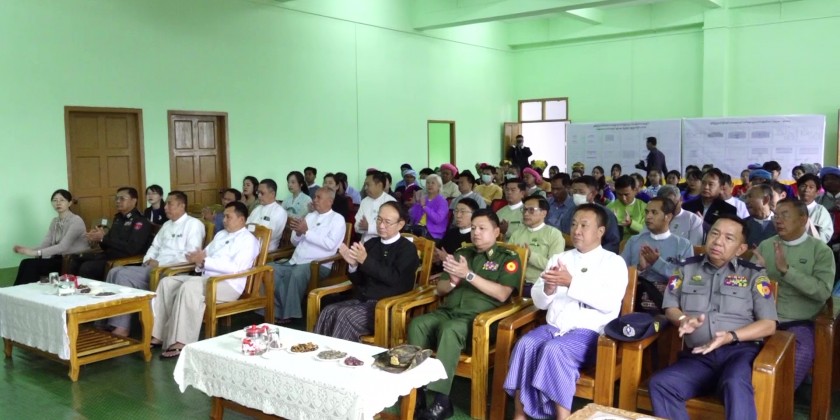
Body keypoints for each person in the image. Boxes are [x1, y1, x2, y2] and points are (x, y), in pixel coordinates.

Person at [503, 204, 627, 420]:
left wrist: (571, 282)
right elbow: (540, 301)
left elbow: (609, 303)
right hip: (554, 327)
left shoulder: (613, 262)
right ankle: (519, 415)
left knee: (554, 349)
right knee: (525, 343)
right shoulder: (560, 258)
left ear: (600, 231)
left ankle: (563, 417)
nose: (576, 230)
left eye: (584, 225)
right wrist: (549, 289)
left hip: (589, 335)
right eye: (574, 224)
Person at [648, 215, 778, 420]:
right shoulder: (685, 268)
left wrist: (730, 336)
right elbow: (670, 306)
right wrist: (682, 320)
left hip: (739, 353)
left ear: (741, 249)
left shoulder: (754, 275)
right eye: (714, 234)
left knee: (735, 382)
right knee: (662, 384)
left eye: (728, 238)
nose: (718, 241)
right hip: (699, 356)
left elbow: (769, 324)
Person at [409, 209, 522, 420]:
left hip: (480, 321)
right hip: (448, 312)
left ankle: (442, 401)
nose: (476, 232)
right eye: (473, 228)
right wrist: (453, 281)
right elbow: (441, 289)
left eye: (482, 228)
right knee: (418, 324)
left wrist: (468, 275)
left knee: (450, 330)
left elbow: (502, 293)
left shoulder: (508, 258)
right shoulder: (462, 254)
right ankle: (418, 393)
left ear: (496, 232)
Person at [154, 202, 260, 359]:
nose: (224, 220)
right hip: (208, 279)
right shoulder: (221, 235)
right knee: (167, 282)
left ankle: (182, 341)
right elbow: (204, 255)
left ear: (241, 219)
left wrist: (204, 261)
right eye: (224, 216)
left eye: (228, 217)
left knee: (190, 287)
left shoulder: (248, 240)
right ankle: (159, 334)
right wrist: (197, 260)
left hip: (229, 284)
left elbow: (236, 268)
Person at [753, 198, 834, 390]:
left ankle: (775, 399)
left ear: (803, 219)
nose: (778, 220)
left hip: (798, 322)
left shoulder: (820, 251)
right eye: (776, 216)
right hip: (762, 317)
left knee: (801, 351)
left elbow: (822, 292)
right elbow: (751, 286)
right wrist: (757, 273)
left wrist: (787, 271)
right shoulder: (766, 245)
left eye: (785, 215)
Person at [314, 202, 420, 342]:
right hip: (362, 301)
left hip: (387, 307)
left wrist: (365, 260)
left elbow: (394, 279)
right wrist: (353, 265)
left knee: (345, 315)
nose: (381, 225)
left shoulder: (408, 249)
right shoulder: (371, 244)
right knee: (328, 311)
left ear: (400, 224)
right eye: (379, 219)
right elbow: (360, 282)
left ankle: (339, 354)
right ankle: (319, 352)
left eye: (387, 222)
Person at [104, 191, 205, 336]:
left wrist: (159, 263)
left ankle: (122, 327)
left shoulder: (193, 224)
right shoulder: (167, 225)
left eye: (169, 204)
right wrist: (148, 260)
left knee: (122, 276)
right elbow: (154, 247)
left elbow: (190, 255)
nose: (165, 207)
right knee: (114, 271)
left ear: (182, 206)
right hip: (153, 268)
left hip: (171, 271)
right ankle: (109, 321)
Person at [271, 188, 346, 323]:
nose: (314, 200)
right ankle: (274, 310)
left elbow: (330, 245)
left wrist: (306, 232)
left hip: (319, 264)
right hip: (296, 260)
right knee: (271, 269)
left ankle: (288, 314)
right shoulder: (310, 216)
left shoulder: (337, 219)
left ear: (330, 201)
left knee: (297, 274)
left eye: (318, 197)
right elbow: (294, 242)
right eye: (314, 197)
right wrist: (298, 233)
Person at [621, 197, 693, 313]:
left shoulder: (683, 245)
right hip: (634, 301)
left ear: (668, 217)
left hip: (667, 306)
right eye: (647, 212)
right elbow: (619, 274)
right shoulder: (634, 241)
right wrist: (639, 269)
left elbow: (685, 279)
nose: (648, 216)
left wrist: (657, 263)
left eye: (654, 212)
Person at [66, 187, 153, 280]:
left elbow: (132, 249)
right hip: (108, 255)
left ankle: (88, 288)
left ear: (134, 200)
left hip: (124, 259)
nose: (118, 201)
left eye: (122, 198)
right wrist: (98, 238)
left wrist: (103, 238)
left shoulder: (140, 221)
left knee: (87, 267)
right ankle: (72, 287)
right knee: (75, 259)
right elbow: (107, 245)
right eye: (116, 198)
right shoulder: (118, 218)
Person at [13, 189, 89, 285]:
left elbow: (63, 247)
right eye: (55, 200)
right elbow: (45, 244)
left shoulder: (76, 220)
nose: (58, 203)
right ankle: (14, 291)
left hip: (70, 260)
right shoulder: (55, 221)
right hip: (56, 258)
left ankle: (23, 292)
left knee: (31, 265)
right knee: (25, 262)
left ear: (69, 203)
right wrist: (27, 250)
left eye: (62, 200)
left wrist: (34, 253)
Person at [508, 196, 565, 298]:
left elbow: (554, 268)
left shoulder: (554, 234)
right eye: (524, 210)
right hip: (513, 282)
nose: (526, 214)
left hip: (538, 285)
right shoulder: (517, 233)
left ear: (544, 213)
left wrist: (530, 256)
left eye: (531, 210)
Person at [559, 175, 621, 254]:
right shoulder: (569, 212)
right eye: (574, 192)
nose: (577, 195)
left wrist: (594, 255)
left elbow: (613, 243)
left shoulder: (606, 214)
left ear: (593, 194)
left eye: (581, 192)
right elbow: (562, 236)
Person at [434, 198, 478, 272]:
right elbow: (439, 252)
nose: (458, 215)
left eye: (463, 212)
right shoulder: (451, 232)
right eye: (456, 211)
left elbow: (472, 267)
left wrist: (448, 259)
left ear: (474, 215)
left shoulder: (476, 237)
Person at [246, 178, 288, 251]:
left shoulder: (279, 211)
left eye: (262, 193)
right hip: (249, 245)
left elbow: (269, 234)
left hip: (265, 250)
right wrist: (256, 228)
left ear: (272, 194)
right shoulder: (257, 208)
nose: (259, 196)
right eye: (258, 192)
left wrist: (253, 228)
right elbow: (246, 226)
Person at [356, 171, 397, 243]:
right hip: (365, 243)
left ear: (379, 185)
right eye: (365, 185)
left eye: (368, 185)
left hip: (384, 243)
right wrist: (365, 227)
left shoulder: (391, 202)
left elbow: (390, 229)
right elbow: (356, 226)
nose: (365, 188)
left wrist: (369, 227)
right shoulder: (364, 201)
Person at [410, 174, 449, 240]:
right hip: (419, 230)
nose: (430, 185)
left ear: (439, 186)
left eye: (433, 183)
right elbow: (414, 217)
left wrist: (425, 207)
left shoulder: (442, 201)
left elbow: (438, 219)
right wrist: (417, 204)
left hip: (433, 234)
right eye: (428, 183)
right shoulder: (423, 198)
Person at [608, 175, 647, 241]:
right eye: (619, 194)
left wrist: (631, 223)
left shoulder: (644, 207)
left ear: (635, 190)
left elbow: (647, 231)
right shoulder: (609, 207)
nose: (623, 198)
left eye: (626, 194)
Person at [797, 174, 833, 243]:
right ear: (798, 190)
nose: (806, 190)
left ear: (817, 192)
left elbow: (825, 235)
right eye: (803, 186)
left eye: (811, 187)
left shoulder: (821, 211)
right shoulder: (790, 208)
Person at [743, 184, 777, 249]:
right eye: (745, 198)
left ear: (766, 199)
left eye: (750, 196)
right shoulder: (742, 225)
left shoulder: (782, 223)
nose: (746, 201)